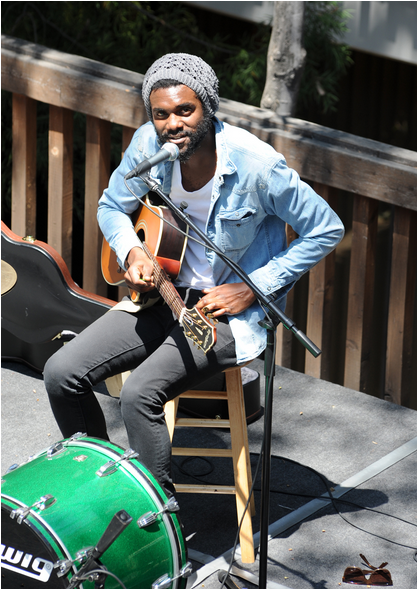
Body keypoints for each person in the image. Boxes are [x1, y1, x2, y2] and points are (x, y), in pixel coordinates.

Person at [44, 53, 344, 498]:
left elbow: (326, 228)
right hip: (161, 295)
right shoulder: (148, 146)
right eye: (161, 114)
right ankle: (100, 489)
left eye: (185, 110)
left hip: (225, 314)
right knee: (61, 373)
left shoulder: (257, 166)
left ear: (208, 107)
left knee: (138, 395)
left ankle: (158, 519)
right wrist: (133, 252)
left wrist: (253, 288)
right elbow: (112, 206)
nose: (172, 124)